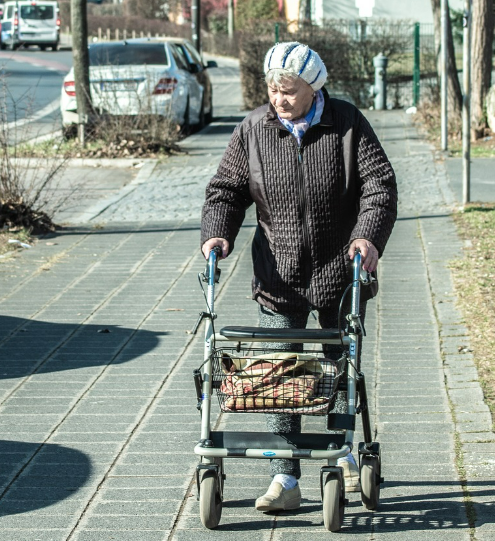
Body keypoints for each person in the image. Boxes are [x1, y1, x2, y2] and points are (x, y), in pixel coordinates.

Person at [200, 41, 397, 513]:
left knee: (336, 367)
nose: (279, 98)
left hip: (339, 270)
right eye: (272, 89)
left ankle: (341, 454)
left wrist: (367, 238)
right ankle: (285, 478)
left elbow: (379, 186)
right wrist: (217, 235)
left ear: (314, 88)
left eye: (288, 90)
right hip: (279, 272)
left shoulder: (347, 124)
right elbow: (226, 191)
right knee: (279, 374)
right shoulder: (253, 129)